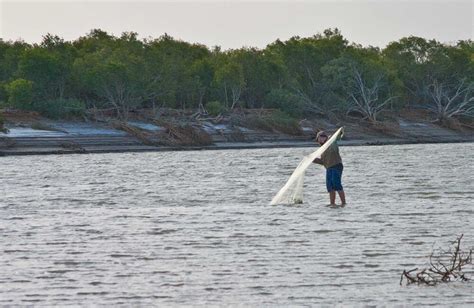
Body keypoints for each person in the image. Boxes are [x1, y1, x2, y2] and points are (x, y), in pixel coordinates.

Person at [313, 129, 346, 206]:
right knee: (330, 187)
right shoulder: (322, 149)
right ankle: (332, 204)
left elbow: (338, 137)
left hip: (337, 165)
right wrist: (313, 160)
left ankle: (343, 203)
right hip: (329, 168)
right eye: (319, 138)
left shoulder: (331, 142)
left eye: (322, 137)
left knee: (336, 184)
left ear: (325, 137)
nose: (320, 139)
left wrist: (340, 132)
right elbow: (323, 162)